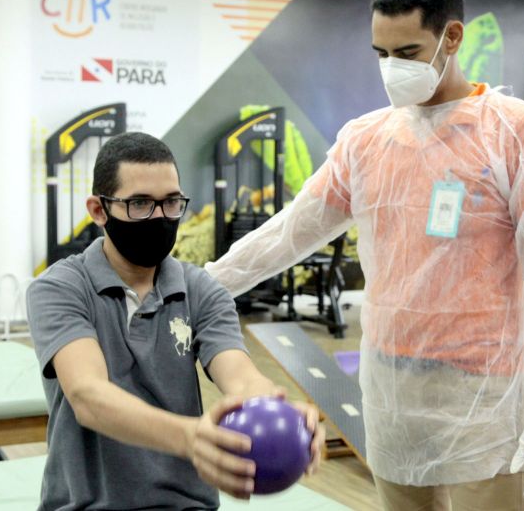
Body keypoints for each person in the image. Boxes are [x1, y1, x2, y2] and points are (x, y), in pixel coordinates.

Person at [204, 0, 524, 509]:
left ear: (452, 36)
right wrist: (201, 285)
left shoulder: (517, 131)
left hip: (487, 390)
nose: (392, 68)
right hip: (390, 383)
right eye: (381, 53)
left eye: (408, 52)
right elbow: (292, 230)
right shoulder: (366, 138)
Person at [26, 132, 323, 510]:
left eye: (170, 203)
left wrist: (277, 411)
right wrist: (189, 437)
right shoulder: (60, 288)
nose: (159, 217)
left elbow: (240, 374)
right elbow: (88, 395)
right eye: (139, 204)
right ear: (99, 210)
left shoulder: (201, 290)